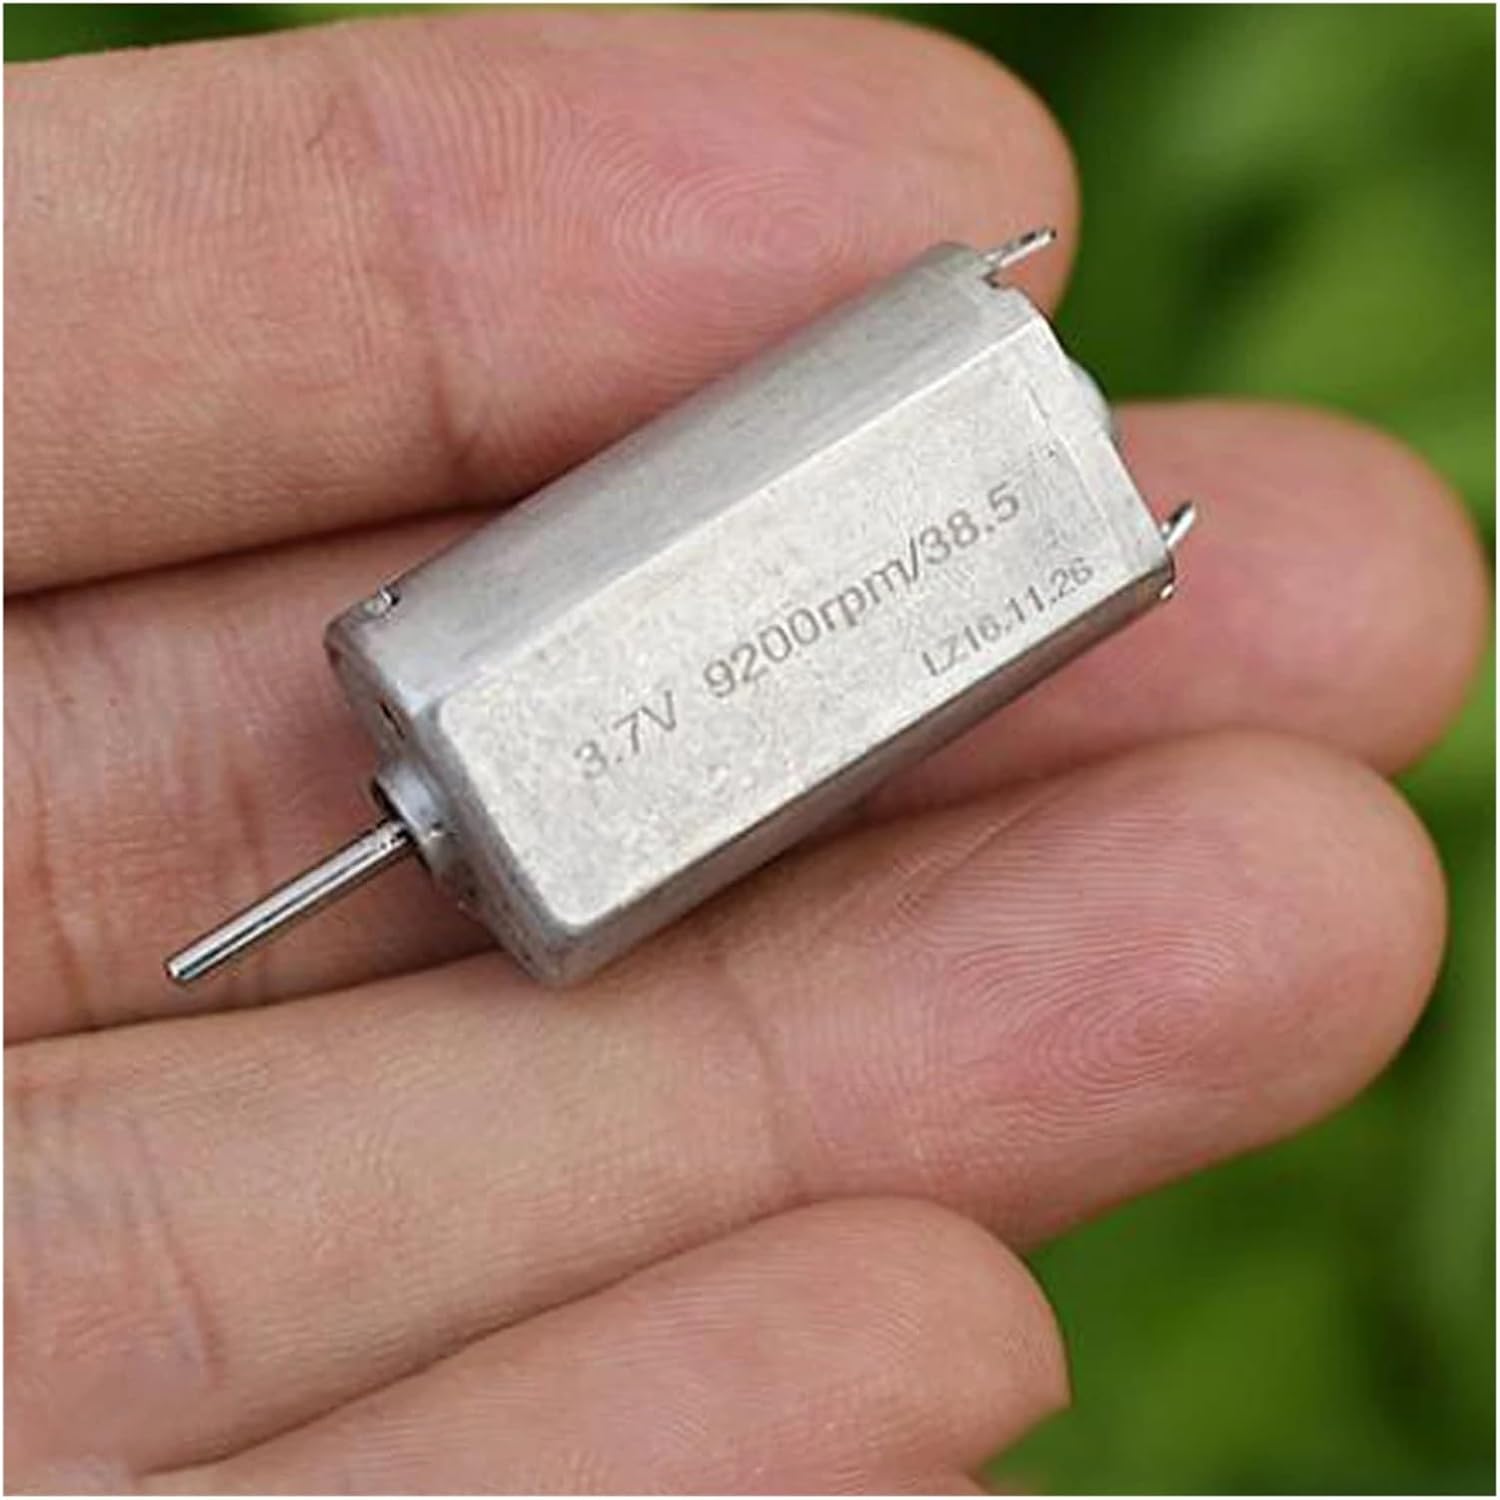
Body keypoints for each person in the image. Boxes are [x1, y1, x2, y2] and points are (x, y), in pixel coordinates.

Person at [5, 8, 1487, 1494]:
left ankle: (1096, 508)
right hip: (552, 731)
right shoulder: (423, 691)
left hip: (962, 551)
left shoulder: (426, 697)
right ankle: (1093, 504)